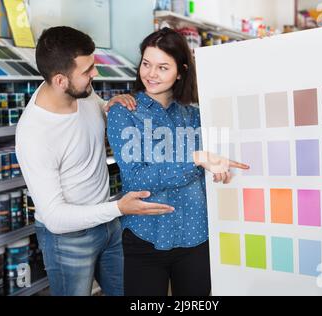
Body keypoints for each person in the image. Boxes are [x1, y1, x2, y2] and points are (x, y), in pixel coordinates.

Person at [16, 26, 174, 296]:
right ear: (60, 80)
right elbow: (54, 218)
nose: (95, 74)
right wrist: (119, 209)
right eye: (87, 71)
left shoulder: (82, 92)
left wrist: (111, 105)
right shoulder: (34, 134)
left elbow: (96, 110)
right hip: (69, 240)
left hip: (109, 224)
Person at [107, 28, 249, 296]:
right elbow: (137, 178)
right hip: (144, 237)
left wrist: (220, 173)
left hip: (196, 236)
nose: (151, 74)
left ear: (180, 72)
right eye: (146, 64)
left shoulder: (194, 115)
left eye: (163, 67)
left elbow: (210, 167)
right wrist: (195, 159)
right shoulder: (124, 113)